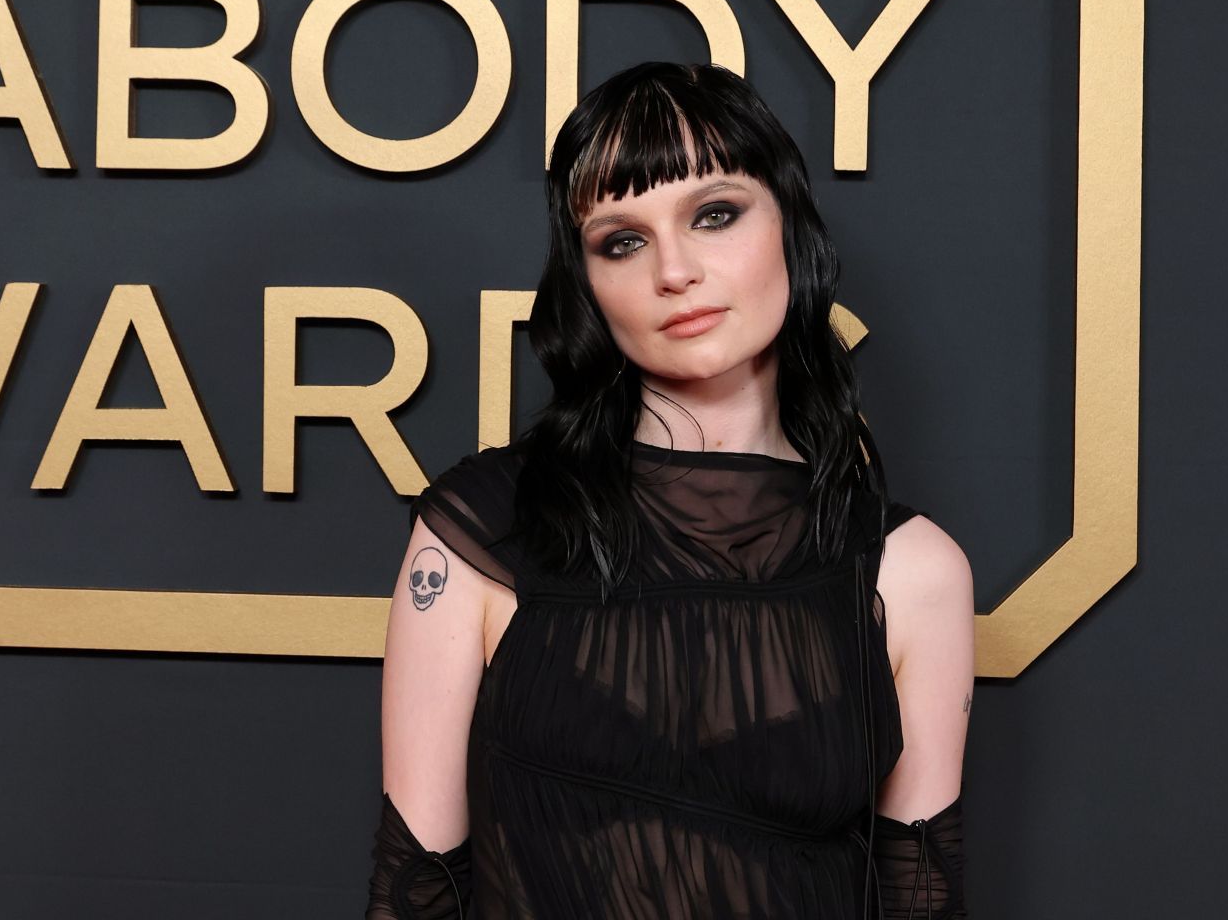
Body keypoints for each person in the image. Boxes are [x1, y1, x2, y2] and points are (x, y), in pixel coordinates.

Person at [366, 62, 975, 918]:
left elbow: (920, 899)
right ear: (588, 283)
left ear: (791, 225)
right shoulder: (486, 529)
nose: (674, 270)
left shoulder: (911, 572)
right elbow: (415, 889)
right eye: (623, 241)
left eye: (714, 214)